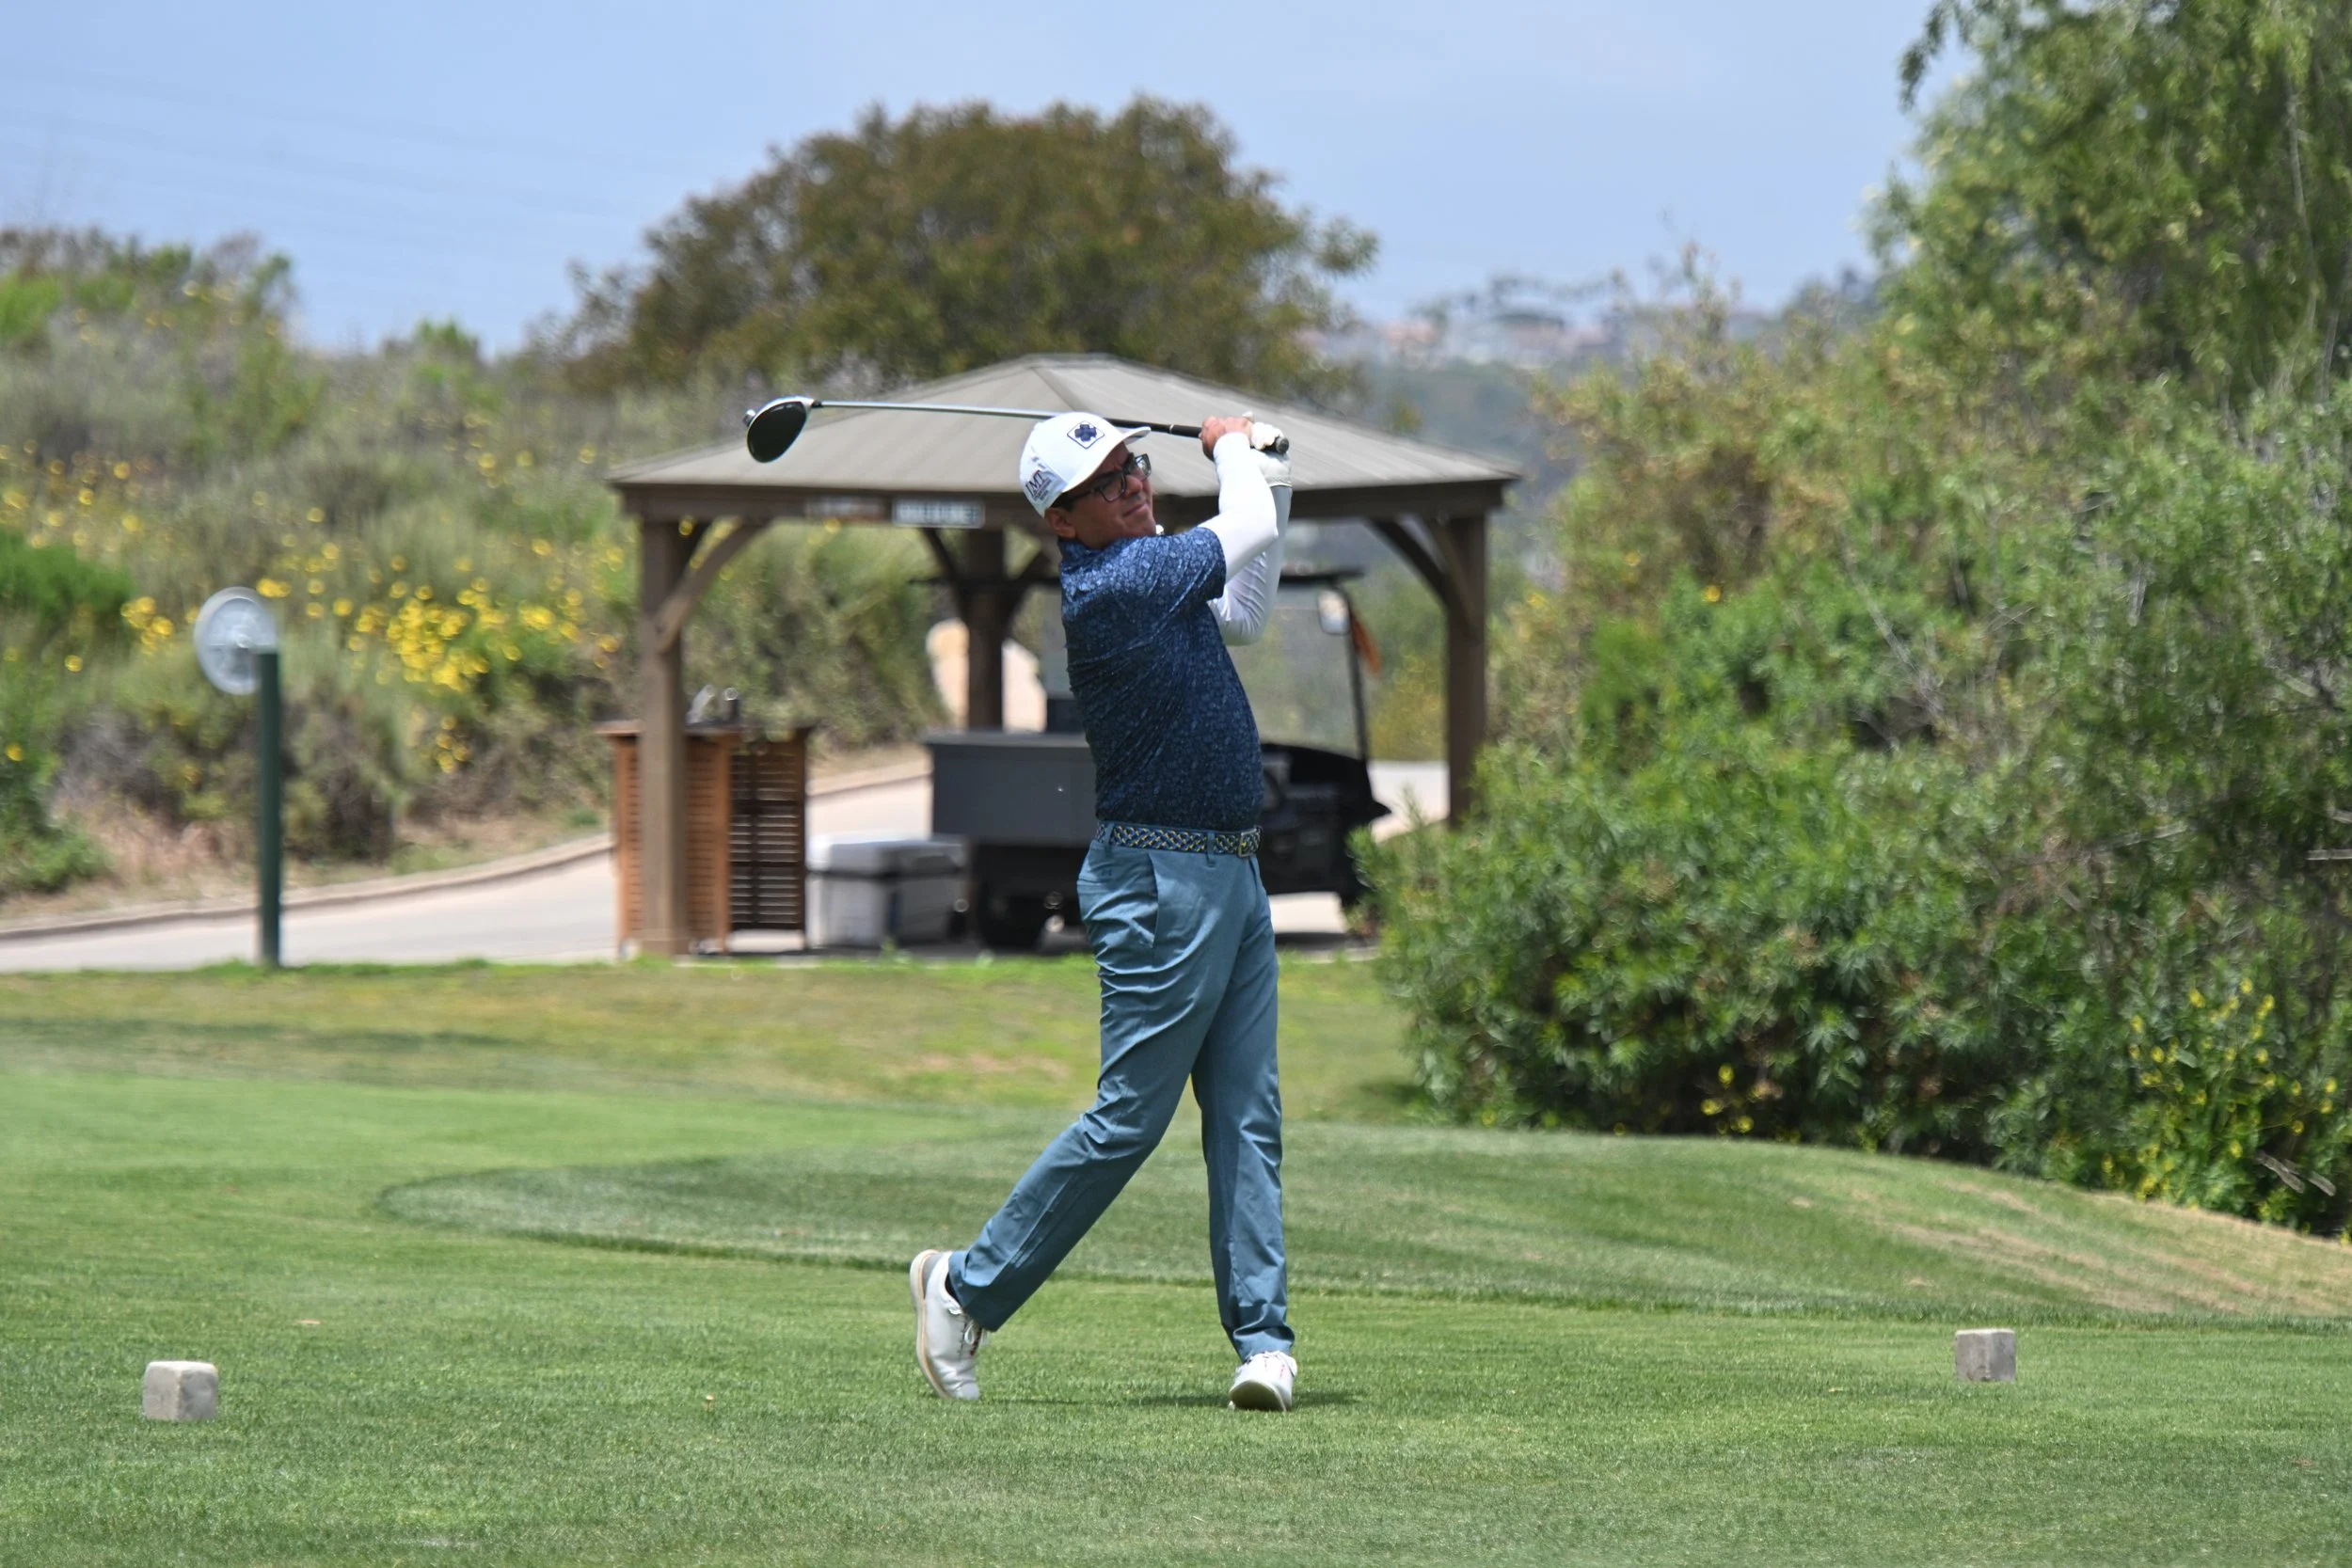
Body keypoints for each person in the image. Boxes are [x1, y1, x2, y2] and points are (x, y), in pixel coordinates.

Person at [910, 409, 1298, 1412]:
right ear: (1063, 520)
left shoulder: (1154, 570)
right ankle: (963, 1288)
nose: (1133, 485)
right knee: (1131, 1116)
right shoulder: (1115, 585)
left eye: (1134, 466)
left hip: (1230, 871)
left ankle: (1263, 1342)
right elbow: (1245, 530)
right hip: (1159, 877)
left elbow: (1247, 607)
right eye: (1107, 482)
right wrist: (1231, 449)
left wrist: (1271, 473)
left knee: (1246, 1114)